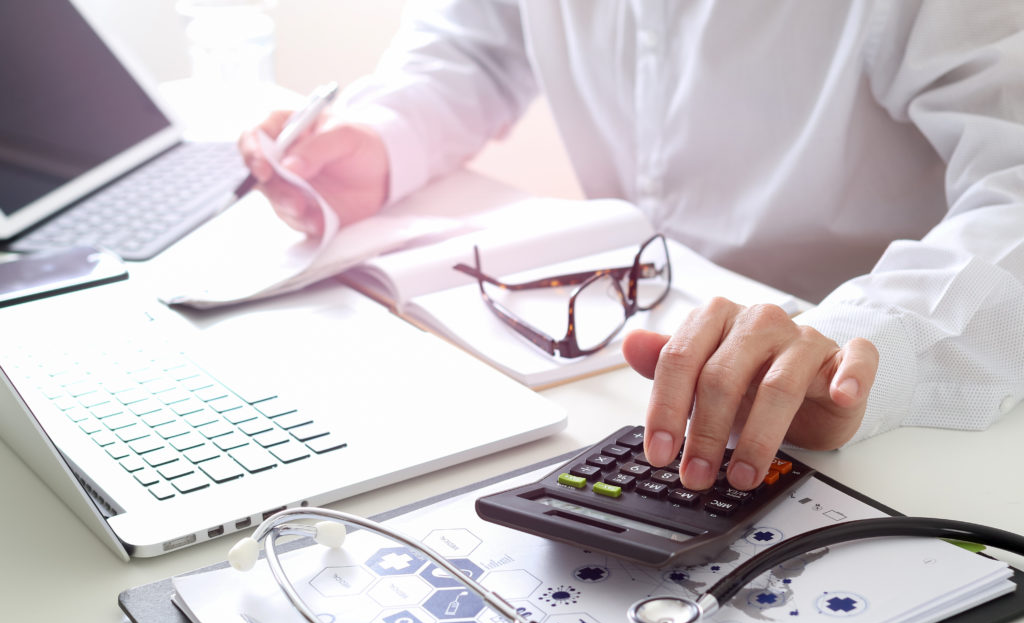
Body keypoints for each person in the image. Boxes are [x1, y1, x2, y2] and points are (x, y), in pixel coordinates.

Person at [239, 1, 1024, 492]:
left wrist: (865, 344)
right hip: (623, 354)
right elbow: (474, 42)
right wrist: (384, 137)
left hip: (866, 417)